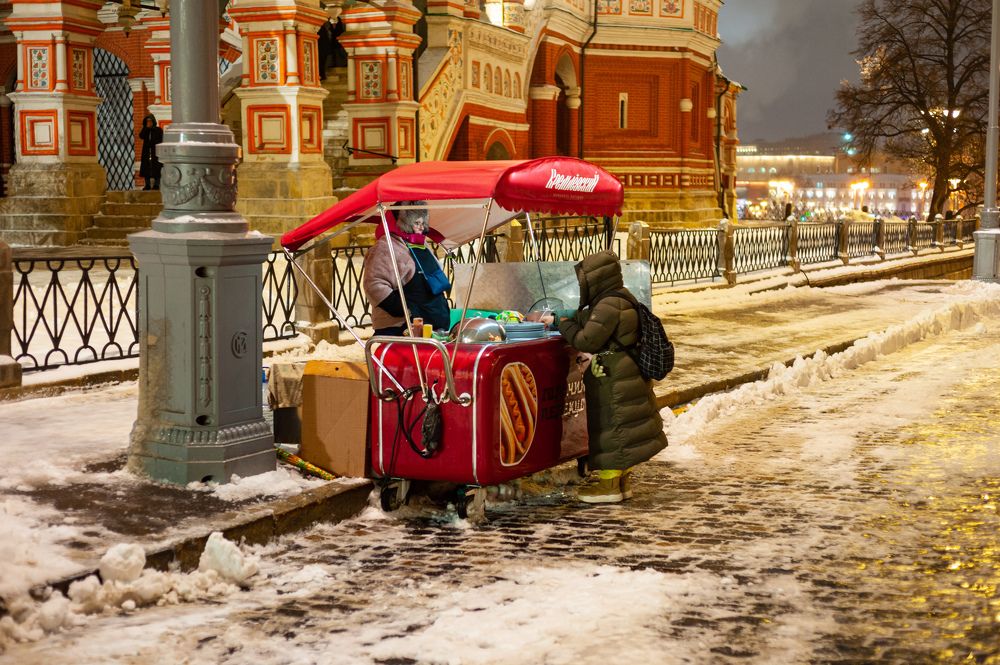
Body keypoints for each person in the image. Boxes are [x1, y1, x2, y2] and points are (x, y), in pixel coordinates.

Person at [545, 250, 667, 503]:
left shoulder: (609, 305)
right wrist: (563, 316)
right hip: (625, 372)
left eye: (584, 280)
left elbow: (587, 338)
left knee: (614, 427)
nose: (582, 285)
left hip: (614, 378)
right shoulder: (620, 297)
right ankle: (621, 482)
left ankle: (608, 486)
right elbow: (592, 319)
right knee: (623, 426)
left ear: (595, 279)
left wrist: (562, 324)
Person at [362, 201, 451, 336]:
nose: (421, 227)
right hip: (400, 330)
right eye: (416, 222)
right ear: (403, 222)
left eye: (422, 222)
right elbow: (374, 284)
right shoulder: (385, 247)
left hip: (431, 330)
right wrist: (405, 310)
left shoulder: (421, 244)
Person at [138, 114, 163, 190]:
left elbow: (160, 139)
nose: (149, 122)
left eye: (150, 121)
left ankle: (156, 184)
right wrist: (145, 128)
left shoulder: (158, 130)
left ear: (153, 121)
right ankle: (147, 184)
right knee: (146, 168)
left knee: (157, 168)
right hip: (146, 152)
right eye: (147, 121)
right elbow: (141, 136)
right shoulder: (145, 130)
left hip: (155, 152)